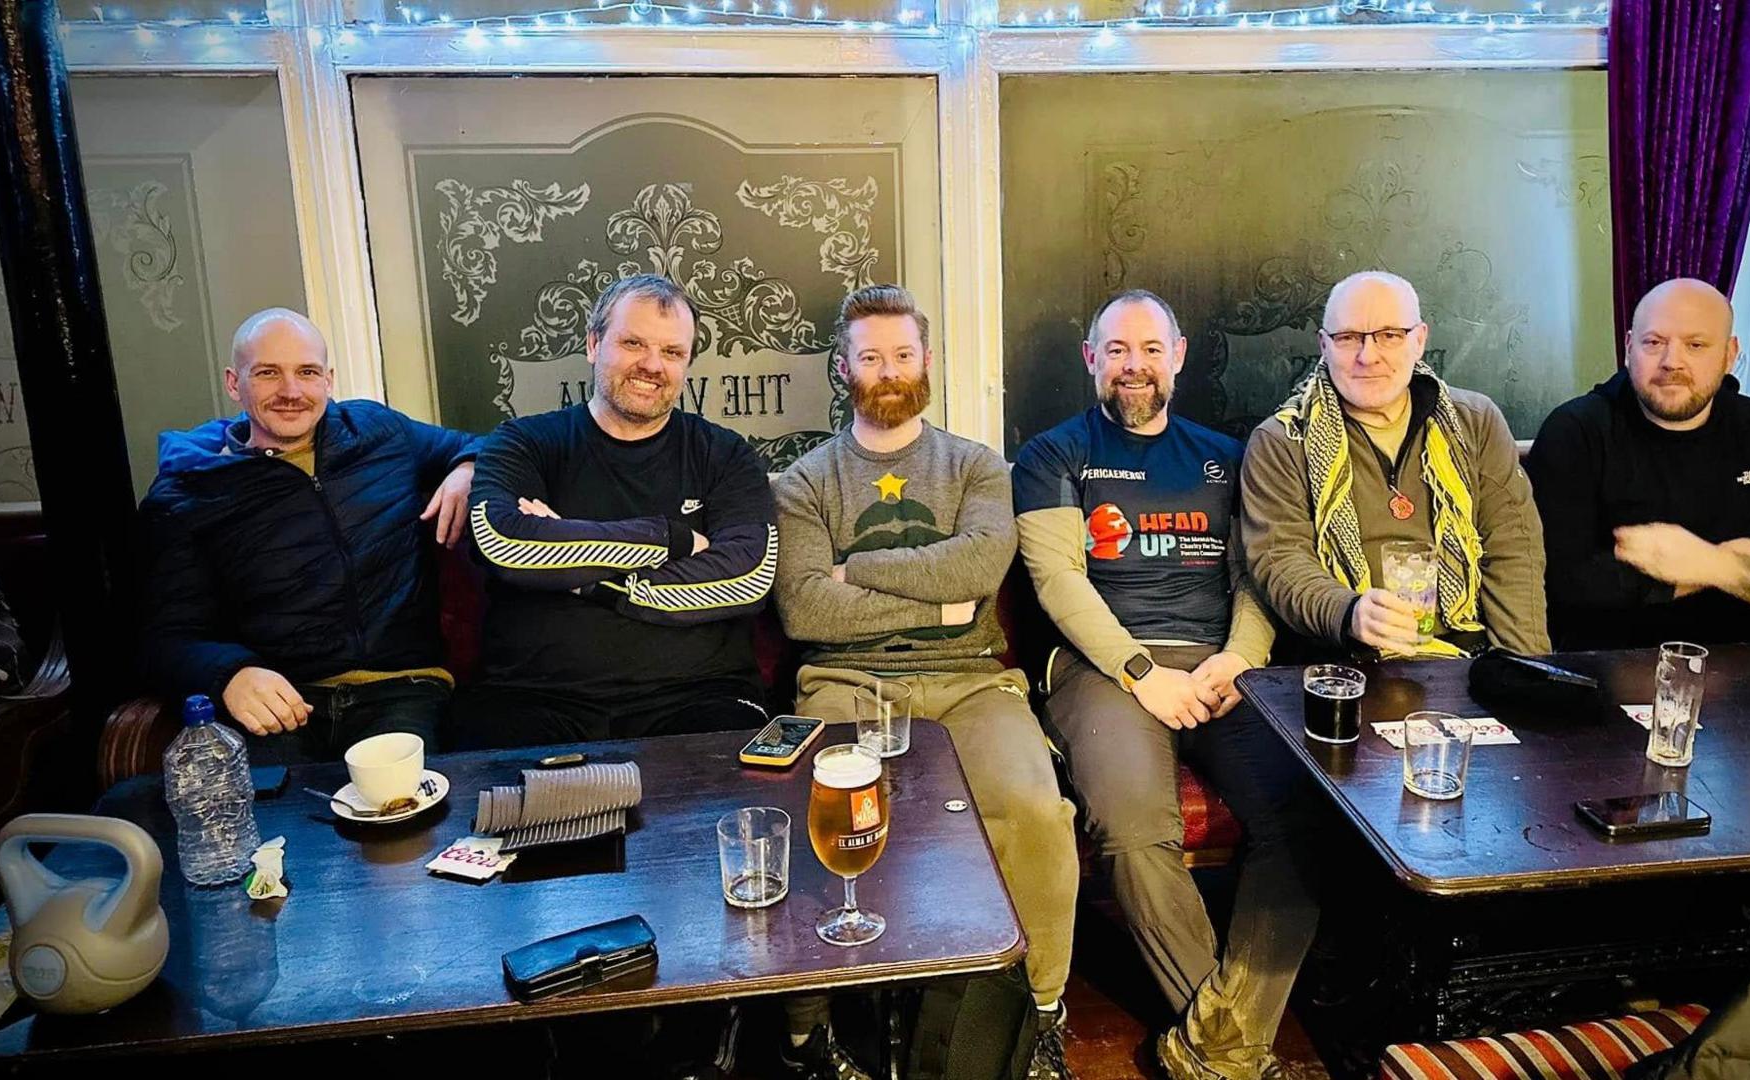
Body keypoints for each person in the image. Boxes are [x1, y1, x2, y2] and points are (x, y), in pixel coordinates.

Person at [773, 285, 1081, 1080]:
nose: (887, 371)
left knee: (1038, 812)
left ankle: (1042, 1012)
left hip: (972, 679)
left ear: (927, 362)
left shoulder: (977, 467)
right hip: (845, 682)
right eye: (870, 357)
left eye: (902, 355)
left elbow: (980, 570)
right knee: (820, 815)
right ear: (843, 368)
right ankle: (809, 1030)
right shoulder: (803, 483)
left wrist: (859, 571)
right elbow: (807, 609)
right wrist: (937, 599)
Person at [1013, 289, 1313, 1080]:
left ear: (1178, 356)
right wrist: (1142, 674)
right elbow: (1057, 583)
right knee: (1137, 832)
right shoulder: (1053, 455)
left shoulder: (1226, 456)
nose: (1134, 366)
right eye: (1116, 350)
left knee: (1309, 815)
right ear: (1091, 360)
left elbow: (1256, 579)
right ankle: (1238, 1057)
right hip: (1102, 669)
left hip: (1217, 666)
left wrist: (1239, 657)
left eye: (1150, 349)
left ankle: (1216, 1045)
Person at [139, 308, 479, 762]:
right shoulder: (186, 489)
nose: (291, 391)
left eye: (307, 372)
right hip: (281, 701)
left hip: (402, 688)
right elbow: (165, 637)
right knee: (272, 825)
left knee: (399, 812)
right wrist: (230, 675)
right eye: (267, 373)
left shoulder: (379, 433)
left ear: (328, 379)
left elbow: (487, 444)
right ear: (233, 383)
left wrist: (467, 467)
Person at [453, 274, 777, 747]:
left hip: (698, 699)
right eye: (633, 343)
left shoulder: (725, 454)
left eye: (672, 352)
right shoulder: (523, 442)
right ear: (593, 344)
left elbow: (746, 577)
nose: (652, 365)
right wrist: (675, 540)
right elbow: (505, 542)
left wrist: (579, 572)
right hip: (532, 700)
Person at [1525, 277, 1750, 649]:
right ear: (1629, 347)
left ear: (1730, 354)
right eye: (1654, 343)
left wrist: (1712, 565)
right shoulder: (1577, 431)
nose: (1672, 362)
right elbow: (1562, 582)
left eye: (1696, 345)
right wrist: (1740, 572)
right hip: (1613, 659)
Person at [1243, 270, 1549, 660]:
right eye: (1348, 337)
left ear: (1419, 340)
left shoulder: (1476, 421)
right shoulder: (1281, 440)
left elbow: (1513, 552)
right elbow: (1281, 561)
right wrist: (1350, 613)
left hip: (1464, 657)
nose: (1367, 356)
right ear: (1323, 345)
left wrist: (1523, 672)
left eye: (1390, 335)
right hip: (1340, 662)